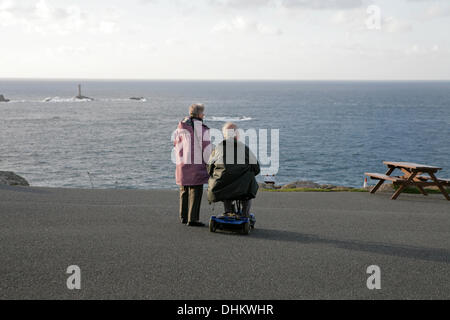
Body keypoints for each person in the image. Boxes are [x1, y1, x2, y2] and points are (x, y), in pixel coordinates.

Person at [207, 122, 260, 217]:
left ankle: (228, 212)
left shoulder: (218, 149)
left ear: (224, 135)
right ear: (237, 135)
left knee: (225, 185)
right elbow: (256, 168)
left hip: (223, 185)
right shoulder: (244, 149)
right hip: (243, 187)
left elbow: (210, 168)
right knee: (247, 188)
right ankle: (245, 214)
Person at [174, 103, 211, 226]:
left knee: (184, 190)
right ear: (199, 114)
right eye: (203, 113)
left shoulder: (181, 126)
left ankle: (183, 216)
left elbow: (175, 143)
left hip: (182, 163)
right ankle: (193, 219)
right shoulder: (201, 128)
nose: (204, 115)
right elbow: (207, 148)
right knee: (196, 191)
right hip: (196, 164)